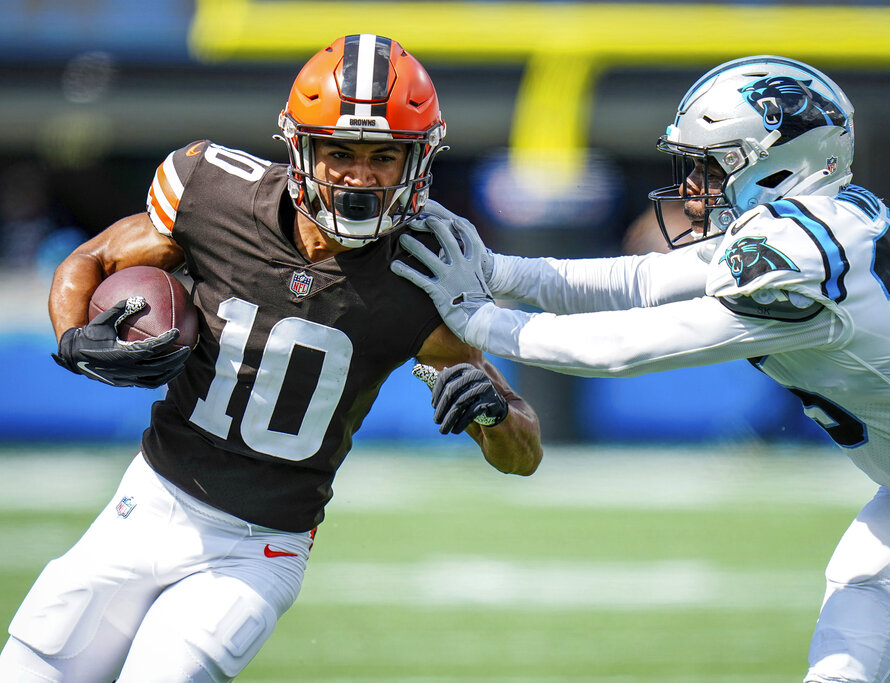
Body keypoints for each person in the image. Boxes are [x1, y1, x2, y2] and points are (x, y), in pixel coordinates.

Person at [393, 55, 890, 681]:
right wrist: (497, 271)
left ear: (778, 164)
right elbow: (637, 281)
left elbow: (625, 347)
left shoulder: (802, 255)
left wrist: (478, 320)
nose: (694, 187)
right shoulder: (821, 218)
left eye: (712, 166)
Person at [0, 34, 542, 683]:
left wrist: (489, 410)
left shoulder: (422, 270)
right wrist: (73, 338)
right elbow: (91, 262)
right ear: (299, 148)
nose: (360, 177)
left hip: (258, 546)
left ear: (419, 161)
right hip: (147, 501)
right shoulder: (215, 196)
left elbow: (522, 451)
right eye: (340, 151)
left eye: (383, 156)